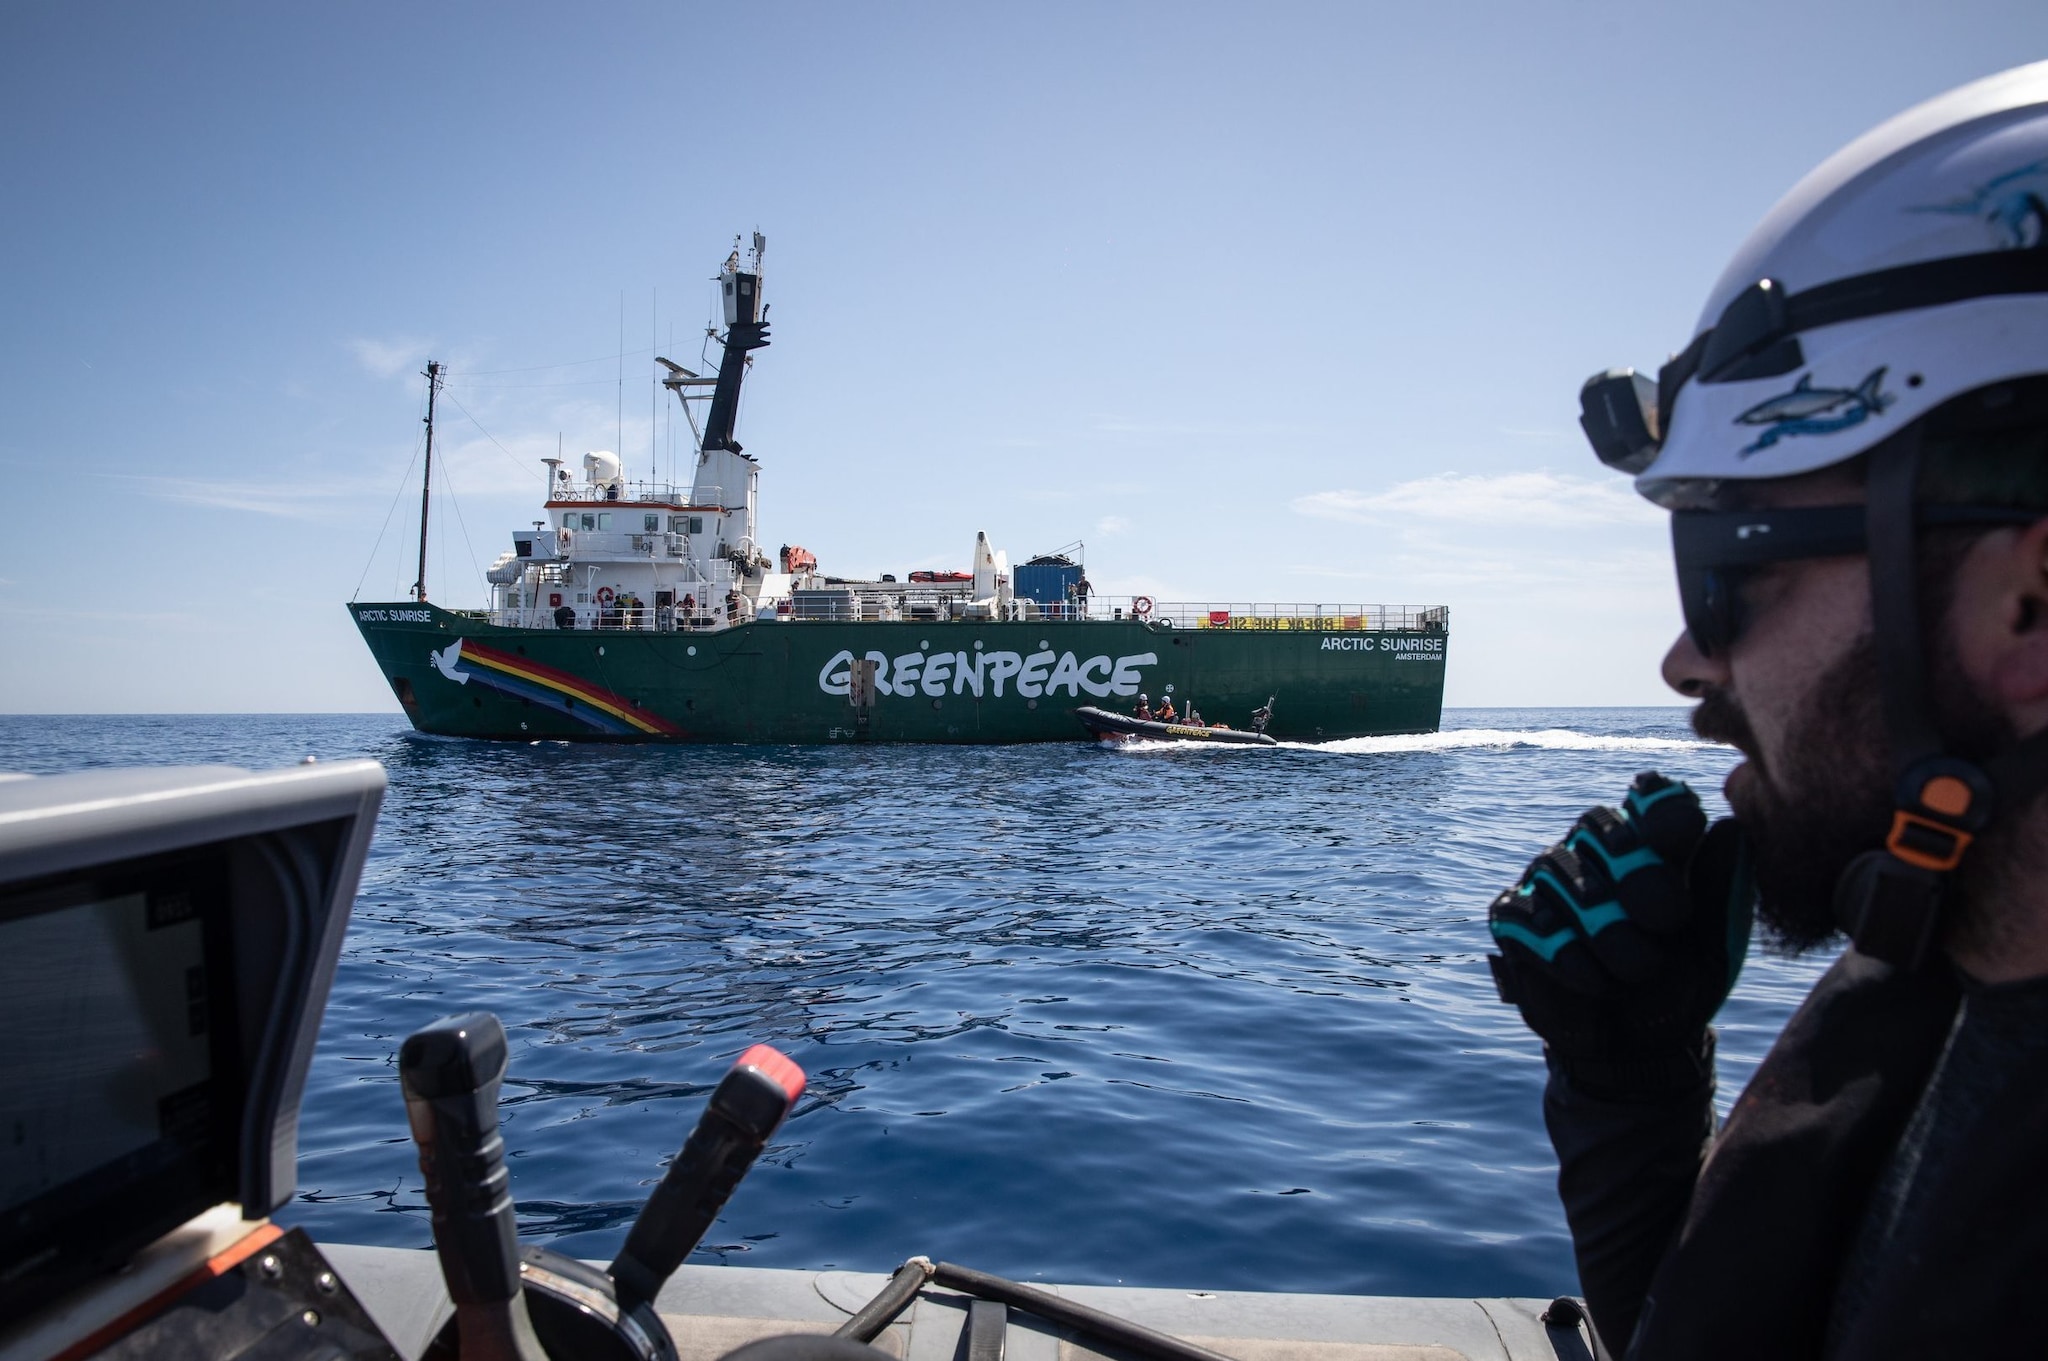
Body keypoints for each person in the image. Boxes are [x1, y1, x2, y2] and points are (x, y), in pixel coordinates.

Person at [1485, 63, 2048, 1359]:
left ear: (2027, 605)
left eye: (1729, 566)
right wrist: (1629, 1085)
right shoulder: (1946, 983)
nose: (1686, 659)